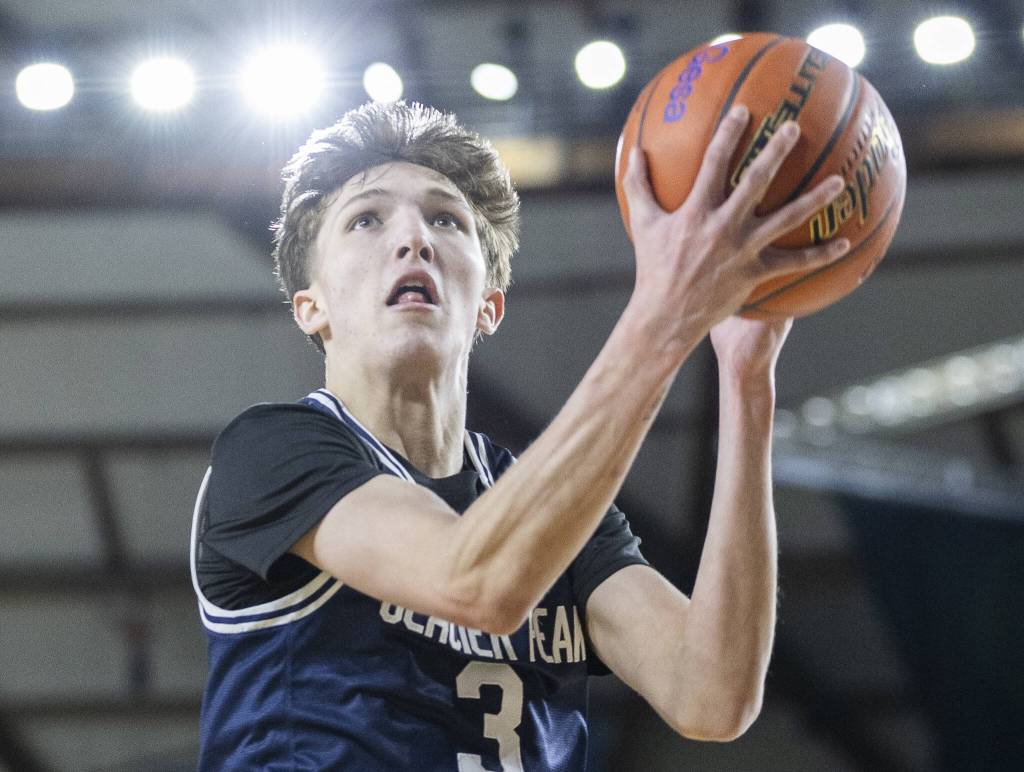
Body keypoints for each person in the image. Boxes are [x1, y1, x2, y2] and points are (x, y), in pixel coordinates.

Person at [189, 99, 848, 770]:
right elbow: (474, 583)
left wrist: (746, 379)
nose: (413, 237)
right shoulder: (271, 453)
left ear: (489, 305)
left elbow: (711, 695)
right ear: (312, 306)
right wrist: (668, 310)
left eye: (446, 219)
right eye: (367, 219)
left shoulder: (549, 511)